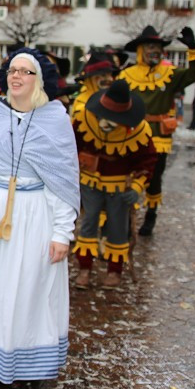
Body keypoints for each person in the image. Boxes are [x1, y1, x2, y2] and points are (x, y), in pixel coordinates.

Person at [0, 48, 80, 383]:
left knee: (30, 285)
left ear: (39, 80)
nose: (16, 76)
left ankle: (28, 364)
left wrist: (62, 233)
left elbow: (63, 181)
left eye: (25, 71)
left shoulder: (55, 119)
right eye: (12, 71)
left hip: (36, 216)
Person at [117, 25, 195, 236]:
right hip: (131, 136)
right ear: (140, 50)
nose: (154, 51)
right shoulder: (126, 75)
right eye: (149, 46)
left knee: (154, 179)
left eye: (157, 47)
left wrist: (193, 49)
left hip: (159, 137)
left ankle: (151, 216)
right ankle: (129, 216)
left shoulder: (169, 73)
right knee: (130, 178)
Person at [71, 80, 157, 289]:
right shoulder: (84, 120)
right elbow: (69, 148)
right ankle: (84, 269)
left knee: (118, 229)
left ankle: (114, 271)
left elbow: (149, 161)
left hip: (120, 188)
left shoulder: (139, 131)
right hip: (89, 183)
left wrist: (137, 187)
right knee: (89, 224)